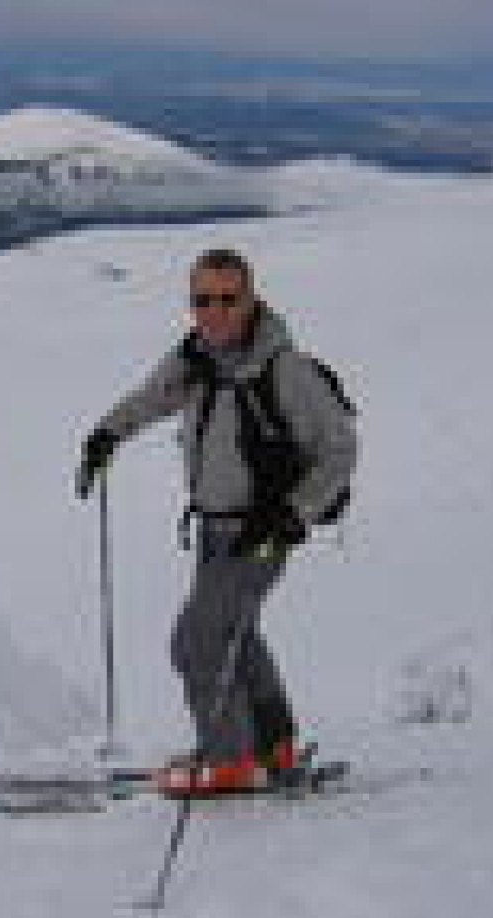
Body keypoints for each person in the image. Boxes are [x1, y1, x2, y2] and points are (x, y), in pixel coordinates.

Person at [76, 248, 358, 792]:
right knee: (235, 632)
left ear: (252, 299)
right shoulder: (197, 358)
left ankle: (228, 761)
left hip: (260, 534)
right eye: (203, 300)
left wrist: (291, 517)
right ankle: (272, 743)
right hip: (212, 528)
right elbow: (152, 398)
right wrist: (107, 434)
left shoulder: (285, 371)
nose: (216, 311)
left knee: (197, 643)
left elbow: (340, 451)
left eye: (229, 299)